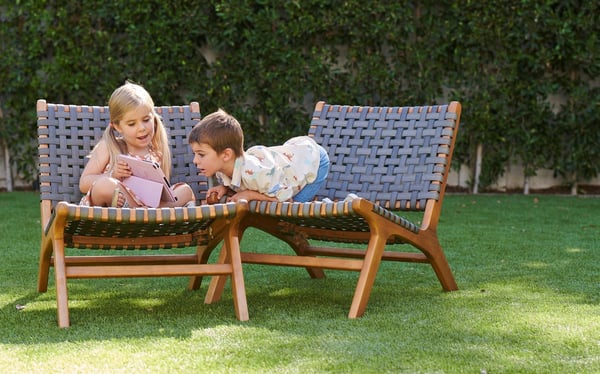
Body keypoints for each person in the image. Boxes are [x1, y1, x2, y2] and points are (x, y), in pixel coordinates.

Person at [79, 82, 195, 208]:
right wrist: (113, 175)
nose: (141, 128)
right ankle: (144, 212)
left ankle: (147, 212)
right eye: (132, 124)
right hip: (116, 204)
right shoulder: (109, 146)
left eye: (146, 120)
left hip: (147, 205)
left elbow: (159, 194)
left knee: (185, 190)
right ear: (118, 126)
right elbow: (84, 184)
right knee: (104, 185)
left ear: (153, 117)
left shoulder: (156, 154)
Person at [188, 109, 329, 203]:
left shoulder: (256, 172)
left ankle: (325, 205)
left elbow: (284, 198)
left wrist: (249, 195)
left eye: (201, 155)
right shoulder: (223, 172)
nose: (195, 161)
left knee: (292, 210)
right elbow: (241, 183)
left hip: (313, 159)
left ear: (226, 155)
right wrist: (225, 189)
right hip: (287, 160)